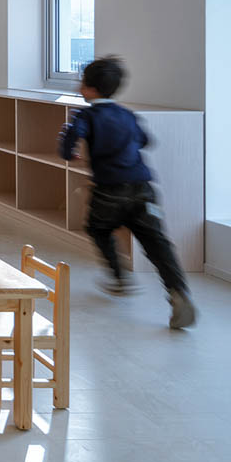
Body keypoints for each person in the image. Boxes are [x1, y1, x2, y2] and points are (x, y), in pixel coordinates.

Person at [58, 56, 197, 329]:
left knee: (98, 228)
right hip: (144, 189)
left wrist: (72, 152)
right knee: (157, 243)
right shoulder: (127, 114)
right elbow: (146, 140)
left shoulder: (86, 115)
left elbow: (66, 145)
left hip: (109, 191)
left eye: (81, 83)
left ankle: (119, 276)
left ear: (89, 89)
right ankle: (178, 292)